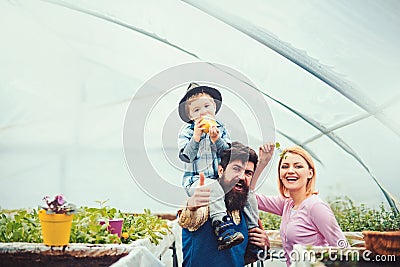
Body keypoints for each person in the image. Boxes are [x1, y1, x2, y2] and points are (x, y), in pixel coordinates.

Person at [178, 83, 263, 253]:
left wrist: (216, 139)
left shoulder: (221, 129)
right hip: (196, 182)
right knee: (213, 187)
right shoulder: (187, 132)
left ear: (214, 108)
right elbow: (186, 156)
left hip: (218, 181)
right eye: (196, 110)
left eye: (207, 107)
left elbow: (228, 154)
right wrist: (196, 137)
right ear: (190, 116)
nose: (202, 112)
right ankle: (222, 227)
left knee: (250, 195)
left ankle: (254, 231)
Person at [252, 143, 348, 266]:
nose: (290, 171)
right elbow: (249, 197)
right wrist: (262, 163)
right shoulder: (287, 204)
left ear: (310, 173)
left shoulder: (316, 207)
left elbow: (344, 249)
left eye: (298, 166)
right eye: (285, 166)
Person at [178, 141, 270, 267]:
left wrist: (263, 245)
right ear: (221, 170)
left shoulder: (245, 212)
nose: (242, 177)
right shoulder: (206, 205)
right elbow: (187, 218)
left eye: (248, 173)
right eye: (236, 169)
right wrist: (191, 204)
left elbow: (238, 259)